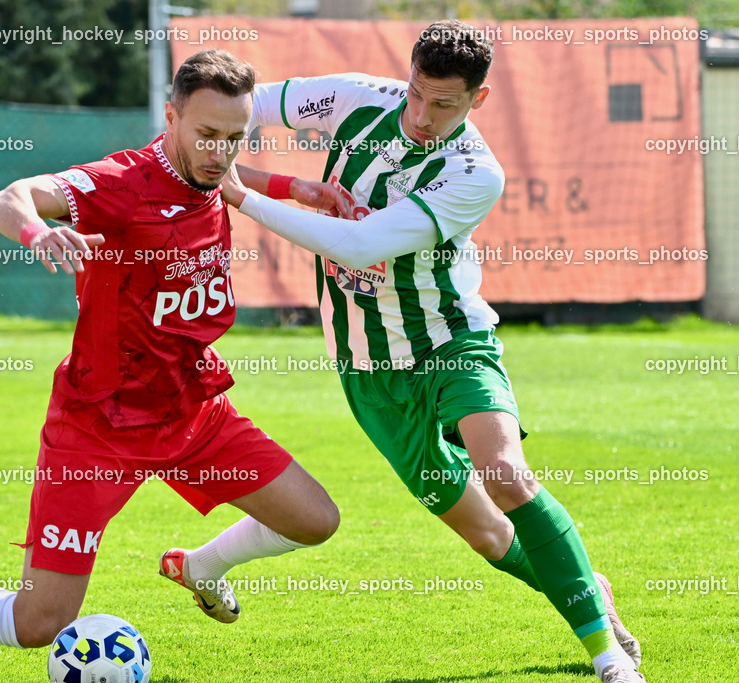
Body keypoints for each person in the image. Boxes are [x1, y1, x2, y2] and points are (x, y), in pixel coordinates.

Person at [0, 49, 339, 683]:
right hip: (99, 428)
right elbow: (10, 198)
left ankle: (200, 566)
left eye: (233, 137)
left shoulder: (208, 166)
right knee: (40, 625)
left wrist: (295, 188)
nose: (219, 151)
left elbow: (231, 177)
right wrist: (39, 232)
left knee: (316, 520)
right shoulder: (119, 183)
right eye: (205, 134)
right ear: (170, 118)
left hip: (192, 412)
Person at [223, 19, 646, 683]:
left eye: (442, 104)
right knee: (488, 537)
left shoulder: (475, 172)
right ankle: (588, 588)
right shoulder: (352, 97)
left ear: (477, 100)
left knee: (506, 472)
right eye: (416, 94)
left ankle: (607, 655)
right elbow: (240, 110)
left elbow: (361, 246)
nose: (421, 115)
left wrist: (241, 195)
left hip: (452, 342)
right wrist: (263, 174)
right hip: (370, 369)